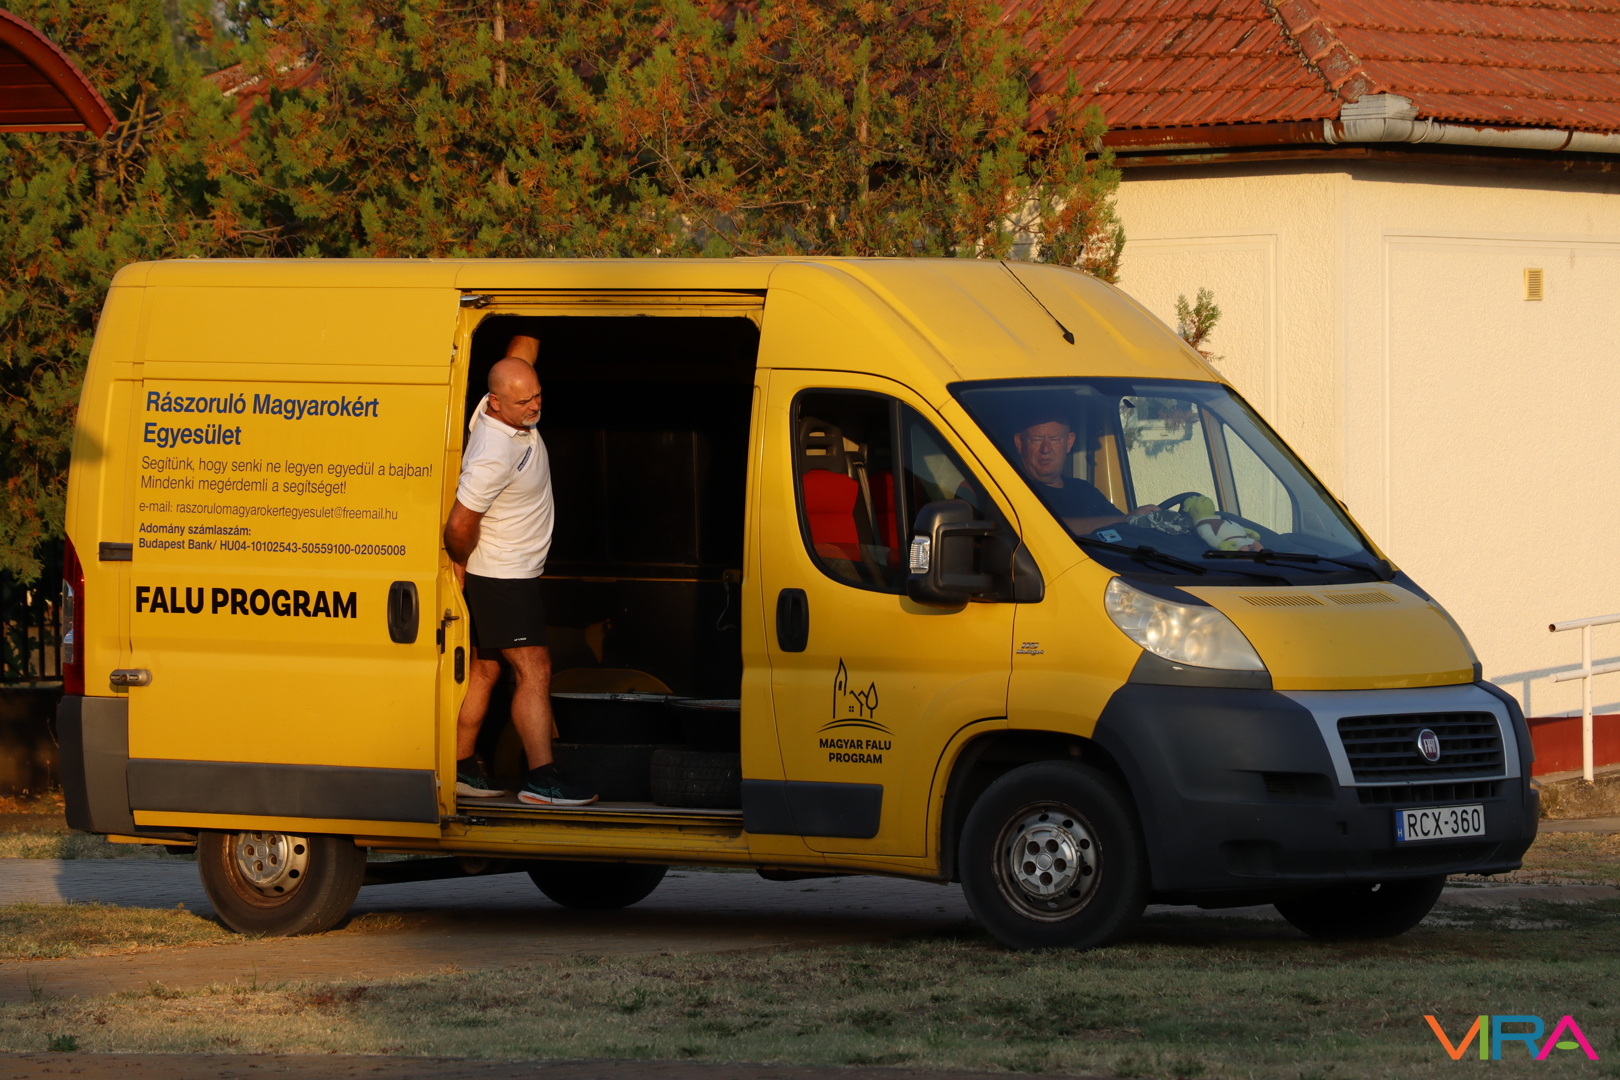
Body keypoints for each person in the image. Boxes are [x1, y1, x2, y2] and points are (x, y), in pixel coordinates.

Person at [443, 338, 597, 806]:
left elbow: (522, 351)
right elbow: (459, 525)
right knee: (535, 669)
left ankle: (460, 766)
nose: (534, 407)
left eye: (538, 395)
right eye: (524, 401)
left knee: (485, 669)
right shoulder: (493, 452)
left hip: (509, 574)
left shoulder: (507, 405)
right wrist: (460, 561)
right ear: (495, 402)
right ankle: (542, 779)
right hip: (502, 577)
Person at [1012, 415, 1157, 535]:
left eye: (1054, 439)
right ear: (1019, 443)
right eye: (1036, 439)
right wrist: (1126, 520)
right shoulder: (1011, 489)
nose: (1046, 449)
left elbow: (1124, 528)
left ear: (1069, 442)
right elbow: (1044, 528)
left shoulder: (1084, 490)